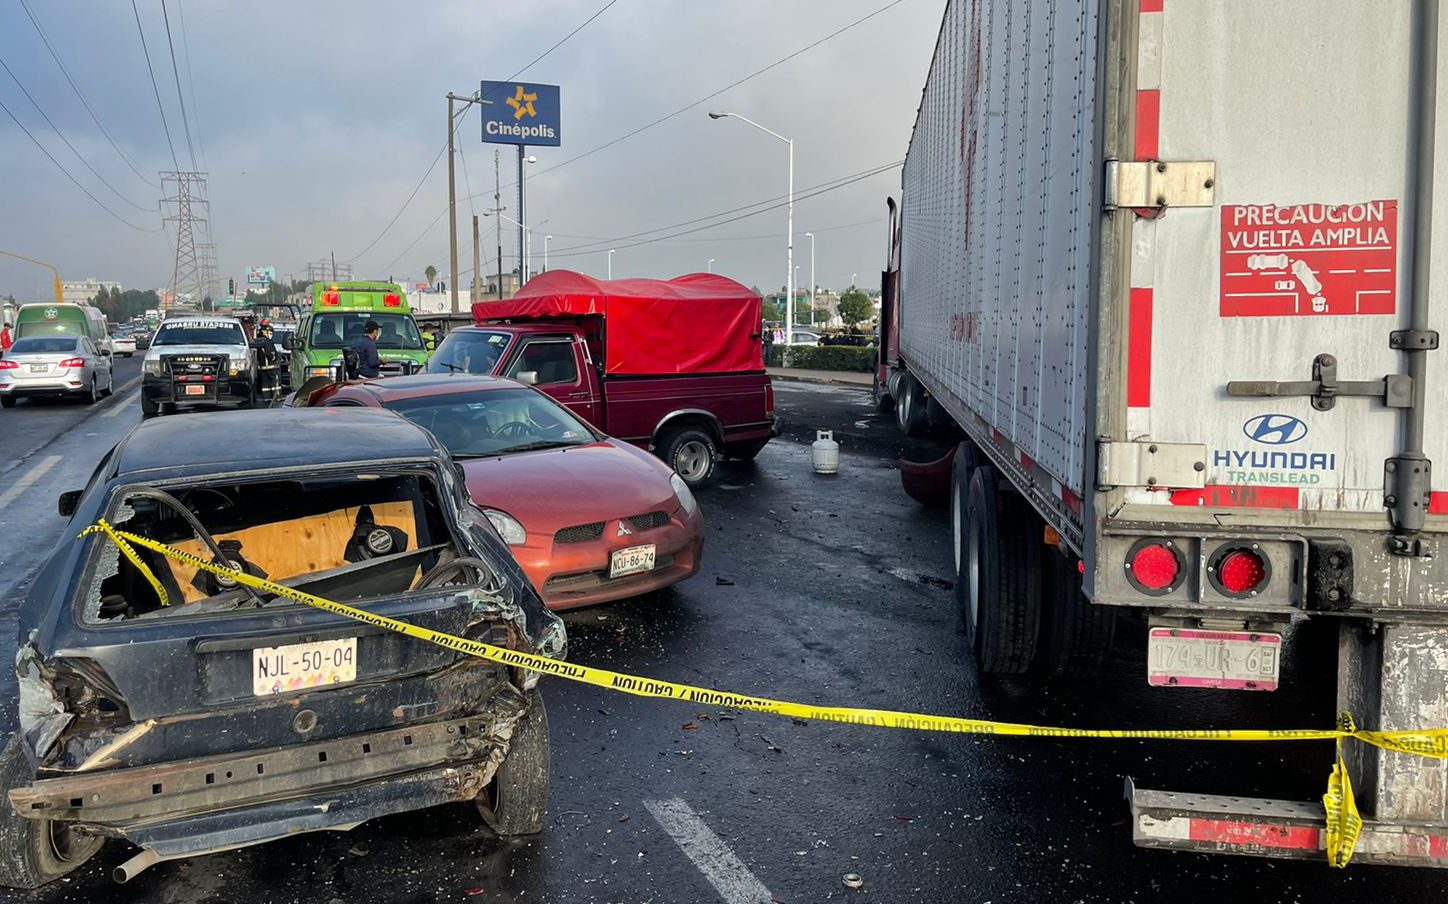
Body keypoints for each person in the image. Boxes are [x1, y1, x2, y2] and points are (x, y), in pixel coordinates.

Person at [250, 322, 278, 402]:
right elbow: (270, 354)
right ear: (265, 331)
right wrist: (274, 358)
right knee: (274, 383)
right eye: (270, 332)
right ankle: (276, 396)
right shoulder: (266, 341)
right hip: (271, 366)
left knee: (265, 383)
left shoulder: (258, 340)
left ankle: (267, 397)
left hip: (262, 367)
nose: (271, 334)